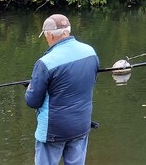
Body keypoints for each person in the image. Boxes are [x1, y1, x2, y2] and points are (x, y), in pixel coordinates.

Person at [26, 14, 99, 165]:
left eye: (45, 36)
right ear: (68, 31)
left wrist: (30, 88)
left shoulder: (45, 63)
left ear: (50, 35)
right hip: (81, 126)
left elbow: (33, 101)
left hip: (53, 131)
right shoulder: (91, 52)